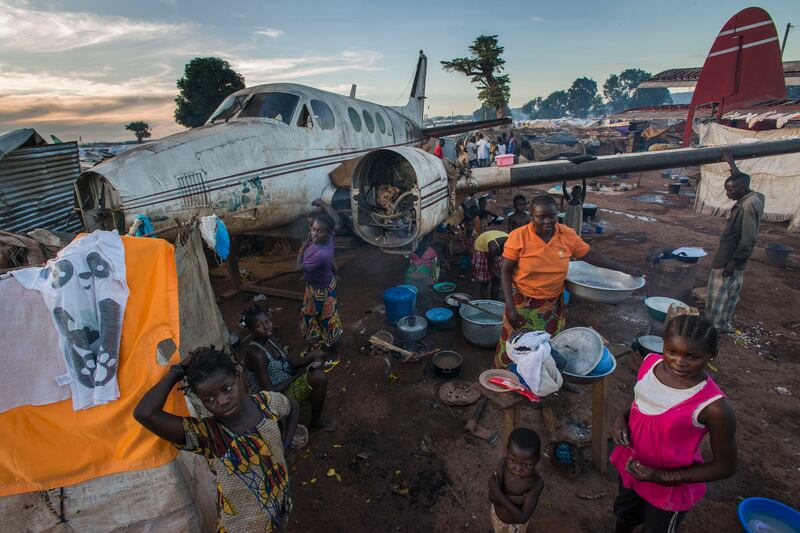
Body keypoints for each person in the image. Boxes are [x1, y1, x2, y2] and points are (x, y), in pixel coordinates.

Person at [134, 347, 299, 532]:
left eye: (227, 389)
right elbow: (145, 413)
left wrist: (286, 444)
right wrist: (178, 370)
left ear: (238, 374)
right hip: (242, 527)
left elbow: (292, 406)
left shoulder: (266, 404)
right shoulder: (206, 435)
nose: (221, 401)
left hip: (280, 504)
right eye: (209, 399)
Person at [610, 315, 736, 533]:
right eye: (671, 351)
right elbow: (641, 398)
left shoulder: (714, 407)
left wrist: (666, 477)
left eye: (692, 356)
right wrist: (621, 417)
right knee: (625, 516)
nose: (679, 361)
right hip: (633, 466)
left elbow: (725, 466)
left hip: (669, 487)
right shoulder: (650, 364)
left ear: (711, 355)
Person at [496, 194, 641, 367]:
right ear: (531, 217)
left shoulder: (566, 235)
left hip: (551, 305)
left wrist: (625, 269)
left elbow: (592, 255)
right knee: (515, 346)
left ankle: (542, 380)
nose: (548, 221)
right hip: (522, 304)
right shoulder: (518, 237)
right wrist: (510, 308)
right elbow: (505, 271)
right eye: (541, 217)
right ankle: (509, 379)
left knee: (546, 347)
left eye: (552, 215)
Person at [242, 305, 335, 432]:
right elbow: (269, 390)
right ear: (251, 330)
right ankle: (315, 422)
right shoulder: (256, 354)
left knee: (319, 354)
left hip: (286, 378)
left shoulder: (270, 339)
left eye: (267, 321)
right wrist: (298, 375)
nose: (266, 326)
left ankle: (311, 393)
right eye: (259, 325)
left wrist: (305, 361)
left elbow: (286, 361)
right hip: (274, 399)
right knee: (319, 377)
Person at [705, 149, 764, 334]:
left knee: (718, 295)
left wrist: (731, 263)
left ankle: (712, 327)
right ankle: (724, 324)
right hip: (737, 258)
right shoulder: (753, 196)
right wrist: (731, 164)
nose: (727, 194)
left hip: (729, 257)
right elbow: (739, 180)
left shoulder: (747, 207)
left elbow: (748, 240)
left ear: (741, 190)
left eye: (730, 191)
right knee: (731, 293)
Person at [297, 199, 343, 355]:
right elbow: (336, 219)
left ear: (328, 232)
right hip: (320, 283)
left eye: (318, 231)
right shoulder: (328, 239)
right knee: (314, 317)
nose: (314, 233)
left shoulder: (319, 254)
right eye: (312, 229)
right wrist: (323, 204)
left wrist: (302, 249)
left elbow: (297, 268)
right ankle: (317, 343)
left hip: (320, 289)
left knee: (326, 320)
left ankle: (333, 352)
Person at [488, 427, 544, 533]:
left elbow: (522, 518)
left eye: (526, 465)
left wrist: (495, 489)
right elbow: (492, 498)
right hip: (497, 518)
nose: (518, 469)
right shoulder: (503, 464)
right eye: (513, 461)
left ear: (537, 460)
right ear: (507, 452)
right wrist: (519, 499)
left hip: (515, 528)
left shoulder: (537, 483)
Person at [473, 230, 508, 300]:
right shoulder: (493, 247)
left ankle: (494, 301)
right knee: (485, 282)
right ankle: (485, 303)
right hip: (482, 250)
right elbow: (490, 267)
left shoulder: (512, 242)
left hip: (493, 243)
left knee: (496, 281)